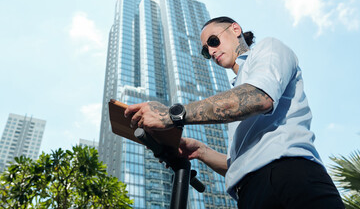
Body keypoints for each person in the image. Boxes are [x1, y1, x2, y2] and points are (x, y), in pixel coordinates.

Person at [124, 16, 344, 208]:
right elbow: (241, 164)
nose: (211, 51)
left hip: (289, 176)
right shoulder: (237, 88)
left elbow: (259, 98)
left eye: (213, 41)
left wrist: (171, 116)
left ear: (235, 30)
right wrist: (200, 150)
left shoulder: (268, 48)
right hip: (250, 193)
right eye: (205, 50)